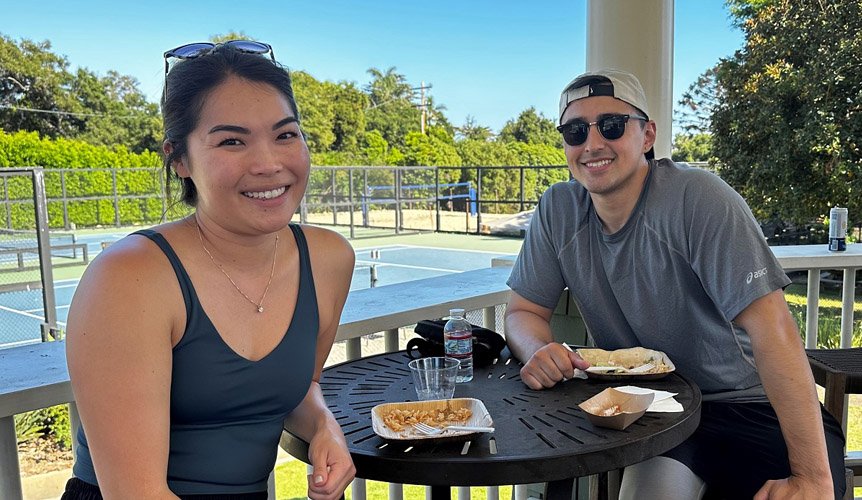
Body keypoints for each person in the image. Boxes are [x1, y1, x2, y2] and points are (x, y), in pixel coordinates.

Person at [505, 68, 845, 499]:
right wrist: (538, 350)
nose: (592, 143)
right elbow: (523, 311)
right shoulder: (559, 209)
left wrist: (813, 477)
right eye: (575, 131)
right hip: (653, 413)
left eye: (611, 125)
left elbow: (773, 330)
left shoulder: (697, 198)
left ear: (647, 136)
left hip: (751, 405)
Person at [63, 41, 356, 499]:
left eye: (285, 134)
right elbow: (136, 494)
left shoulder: (329, 259)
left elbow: (299, 386)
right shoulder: (131, 277)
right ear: (179, 159)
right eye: (232, 141)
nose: (269, 163)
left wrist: (323, 425)